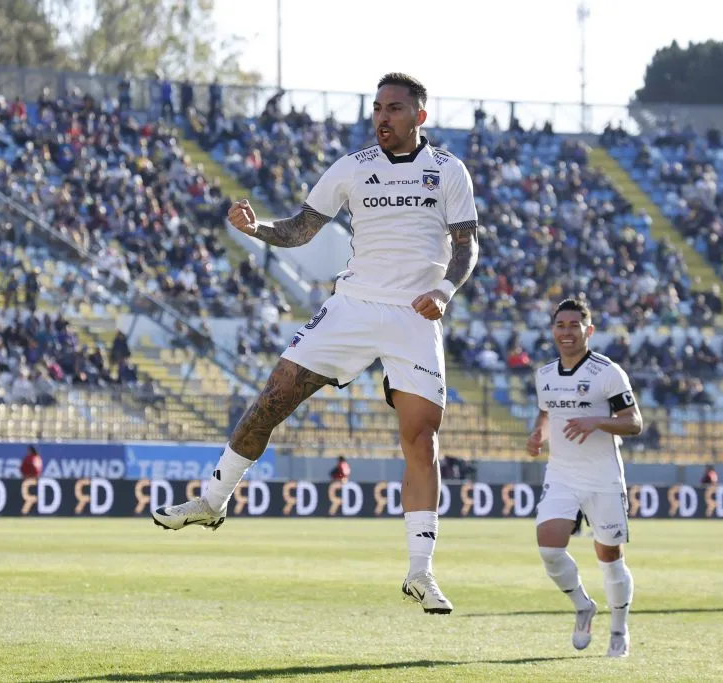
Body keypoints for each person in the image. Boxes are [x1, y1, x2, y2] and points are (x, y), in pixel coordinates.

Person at [151, 73, 479, 615]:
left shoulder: (448, 170)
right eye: (377, 108)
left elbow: (467, 246)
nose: (383, 117)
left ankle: (421, 572)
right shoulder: (352, 167)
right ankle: (212, 501)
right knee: (274, 396)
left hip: (415, 315)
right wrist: (257, 229)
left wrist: (444, 290)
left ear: (419, 116)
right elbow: (301, 229)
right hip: (352, 307)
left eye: (395, 108)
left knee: (421, 440)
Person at [526, 298, 643, 658]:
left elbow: (634, 422)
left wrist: (597, 421)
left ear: (588, 330)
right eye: (560, 325)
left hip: (603, 476)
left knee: (609, 555)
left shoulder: (608, 372)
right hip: (561, 473)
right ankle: (583, 605)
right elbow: (546, 415)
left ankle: (619, 630)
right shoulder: (544, 375)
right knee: (549, 548)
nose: (566, 332)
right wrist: (538, 435)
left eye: (574, 325)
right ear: (552, 330)